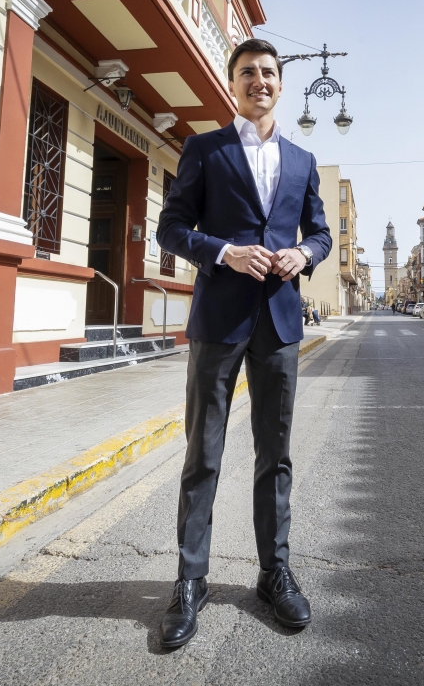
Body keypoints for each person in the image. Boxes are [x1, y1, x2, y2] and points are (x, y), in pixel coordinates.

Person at [156, 38, 332, 648]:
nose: (259, 80)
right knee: (202, 454)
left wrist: (303, 252)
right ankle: (189, 578)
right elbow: (172, 228)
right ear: (232, 83)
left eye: (268, 73)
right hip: (218, 321)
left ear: (282, 85)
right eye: (247, 72)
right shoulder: (204, 150)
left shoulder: (304, 160)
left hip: (280, 322)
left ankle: (273, 572)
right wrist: (224, 251)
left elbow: (322, 233)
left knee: (275, 455)